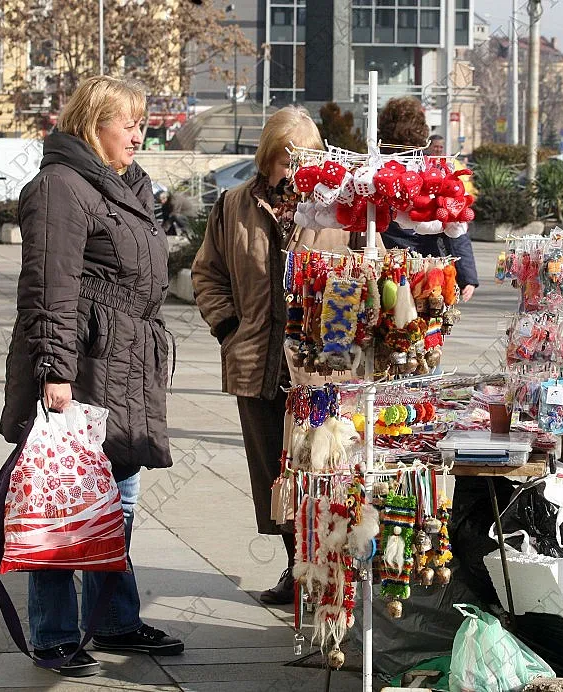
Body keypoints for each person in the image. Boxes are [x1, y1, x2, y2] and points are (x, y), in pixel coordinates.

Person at [0, 76, 183, 677]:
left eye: (141, 121)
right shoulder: (60, 186)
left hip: (124, 364)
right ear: (91, 124)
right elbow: (49, 288)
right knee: (64, 499)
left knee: (116, 499)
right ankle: (54, 633)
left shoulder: (126, 185)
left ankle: (112, 619)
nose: (139, 132)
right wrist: (54, 372)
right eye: (127, 122)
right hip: (80, 366)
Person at [191, 106, 377, 605]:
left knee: (322, 469)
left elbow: (370, 272)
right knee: (274, 475)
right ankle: (296, 568)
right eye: (284, 161)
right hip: (256, 362)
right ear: (266, 159)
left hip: (322, 367)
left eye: (304, 160)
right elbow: (206, 272)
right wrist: (228, 325)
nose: (293, 172)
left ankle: (329, 570)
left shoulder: (341, 208)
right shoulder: (234, 205)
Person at [377, 96, 479, 301]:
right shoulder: (432, 170)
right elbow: (454, 224)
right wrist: (467, 276)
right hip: (426, 263)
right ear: (420, 133)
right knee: (423, 324)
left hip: (381, 263)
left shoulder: (373, 168)